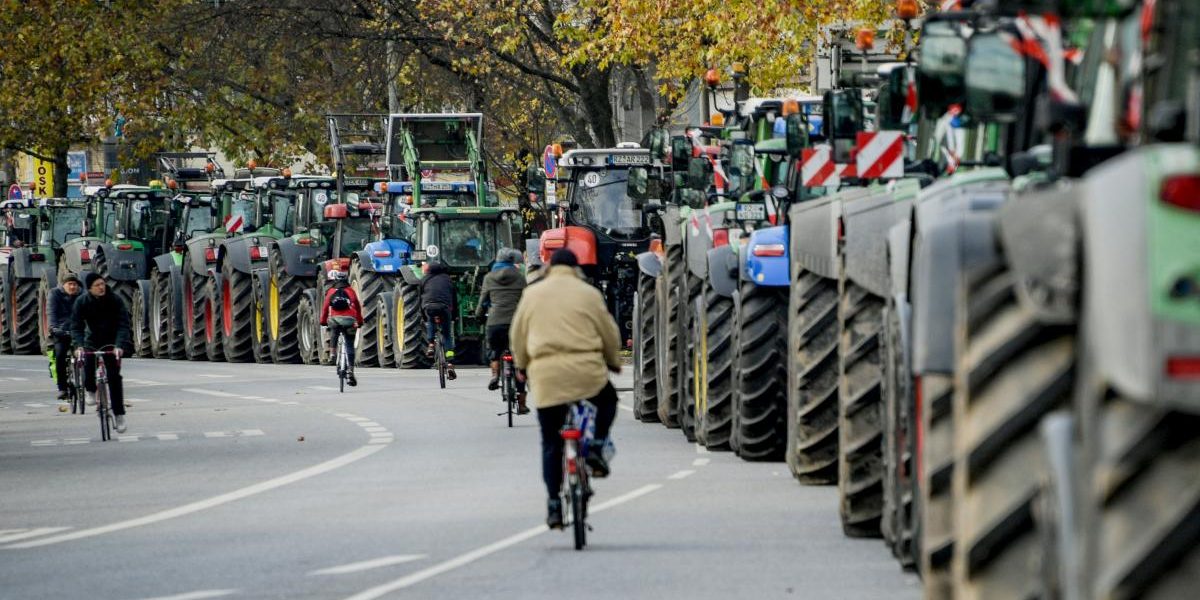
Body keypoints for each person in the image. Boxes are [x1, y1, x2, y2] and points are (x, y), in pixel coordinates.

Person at [511, 248, 622, 529]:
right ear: (576, 269)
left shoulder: (532, 294)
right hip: (587, 372)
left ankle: (552, 505)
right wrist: (613, 362)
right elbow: (609, 333)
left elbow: (518, 335)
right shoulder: (589, 293)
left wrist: (522, 367)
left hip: (546, 376)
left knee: (551, 442)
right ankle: (596, 444)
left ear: (549, 268)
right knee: (608, 399)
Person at [71, 273, 132, 433]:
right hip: (92, 342)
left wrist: (119, 345)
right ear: (89, 288)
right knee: (88, 365)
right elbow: (76, 326)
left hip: (112, 343)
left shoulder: (115, 300)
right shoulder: (82, 302)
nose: (101, 287)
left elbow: (123, 324)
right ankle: (90, 389)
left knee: (114, 378)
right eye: (97, 285)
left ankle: (119, 415)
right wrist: (79, 346)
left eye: (102, 284)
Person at [475, 248, 528, 413]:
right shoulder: (520, 278)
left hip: (495, 323)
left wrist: (479, 317)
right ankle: (521, 403)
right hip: (516, 323)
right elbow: (527, 299)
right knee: (519, 359)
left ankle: (495, 376)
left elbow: (483, 301)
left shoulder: (489, 278)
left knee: (495, 351)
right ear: (513, 262)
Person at [319, 270, 363, 387]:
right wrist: (359, 321)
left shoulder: (331, 291)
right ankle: (350, 371)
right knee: (349, 345)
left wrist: (323, 321)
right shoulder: (351, 291)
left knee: (334, 330)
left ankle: (333, 354)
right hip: (349, 320)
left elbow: (325, 308)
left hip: (335, 320)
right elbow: (357, 307)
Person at [48, 274, 83, 400]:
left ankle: (88, 380)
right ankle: (62, 388)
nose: (73, 287)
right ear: (64, 285)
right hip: (61, 331)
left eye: (75, 284)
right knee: (60, 355)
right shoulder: (55, 294)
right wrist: (54, 328)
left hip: (78, 331)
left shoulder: (82, 295)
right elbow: (51, 313)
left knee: (89, 353)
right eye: (70, 284)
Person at [420, 260, 457, 380]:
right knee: (446, 335)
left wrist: (424, 316)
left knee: (430, 321)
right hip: (444, 308)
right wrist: (454, 315)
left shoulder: (425, 279)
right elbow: (454, 299)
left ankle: (430, 344)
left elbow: (421, 298)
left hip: (429, 306)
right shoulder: (447, 279)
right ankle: (450, 363)